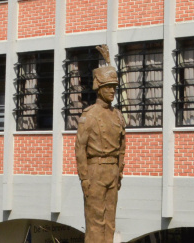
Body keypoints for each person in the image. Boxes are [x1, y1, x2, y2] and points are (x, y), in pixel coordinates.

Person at [75, 45, 126, 243]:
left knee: (110, 220)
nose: (112, 91)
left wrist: (119, 171)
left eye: (114, 87)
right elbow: (80, 148)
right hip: (95, 171)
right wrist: (84, 178)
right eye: (108, 87)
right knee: (95, 221)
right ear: (99, 88)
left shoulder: (117, 115)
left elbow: (122, 146)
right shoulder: (90, 115)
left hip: (112, 171)